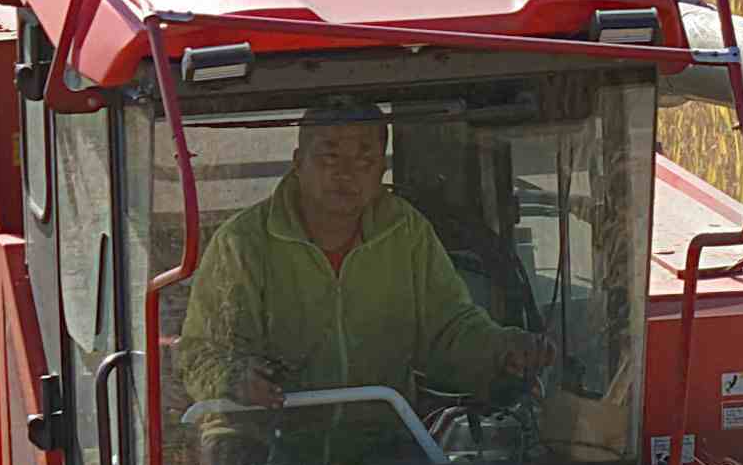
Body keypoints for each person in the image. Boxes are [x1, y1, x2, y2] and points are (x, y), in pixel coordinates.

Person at [180, 103, 552, 434]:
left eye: (364, 159)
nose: (346, 173)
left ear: (381, 170)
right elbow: (200, 353)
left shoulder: (406, 232)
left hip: (381, 440)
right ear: (297, 163)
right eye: (329, 156)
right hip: (262, 444)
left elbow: (448, 330)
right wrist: (235, 379)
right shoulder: (242, 244)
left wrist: (502, 349)